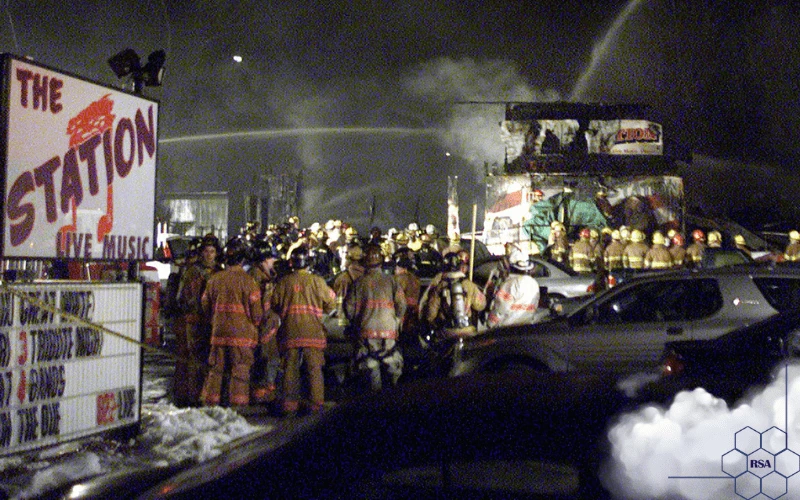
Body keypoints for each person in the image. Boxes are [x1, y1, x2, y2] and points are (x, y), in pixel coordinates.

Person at [271, 245, 336, 416]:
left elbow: (274, 305)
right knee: (314, 369)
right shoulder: (317, 281)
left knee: (289, 368)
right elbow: (330, 306)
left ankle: (289, 406)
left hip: (289, 333)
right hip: (313, 333)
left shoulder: (283, 282)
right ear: (309, 262)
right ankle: (315, 406)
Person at [200, 237, 263, 407]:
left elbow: (205, 304)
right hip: (242, 336)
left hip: (218, 333)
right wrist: (256, 325)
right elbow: (257, 314)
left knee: (216, 369)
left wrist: (214, 321)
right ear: (243, 259)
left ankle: (211, 404)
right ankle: (238, 406)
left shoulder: (214, 279)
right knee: (240, 370)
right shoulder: (249, 282)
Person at [344, 245, 406, 392]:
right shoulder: (392, 281)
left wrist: (357, 322)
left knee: (370, 374)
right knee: (392, 376)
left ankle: (374, 405)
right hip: (389, 334)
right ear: (382, 262)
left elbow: (349, 309)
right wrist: (395, 320)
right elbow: (402, 305)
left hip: (366, 335)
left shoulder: (358, 283)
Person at [174, 234, 221, 407]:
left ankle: (205, 394)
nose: (209, 255)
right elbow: (184, 297)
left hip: (212, 322)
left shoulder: (218, 271)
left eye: (212, 251)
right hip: (195, 321)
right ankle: (193, 397)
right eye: (206, 251)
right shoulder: (193, 272)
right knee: (194, 358)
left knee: (210, 359)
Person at [247, 236, 283, 404]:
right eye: (271, 258)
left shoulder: (264, 274)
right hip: (262, 325)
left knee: (269, 358)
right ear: (263, 259)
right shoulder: (256, 276)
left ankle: (265, 391)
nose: (273, 261)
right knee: (265, 359)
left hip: (267, 324)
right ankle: (261, 394)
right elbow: (258, 304)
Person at [421, 251, 487, 340]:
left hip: (448, 331)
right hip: (468, 330)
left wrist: (431, 322)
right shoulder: (469, 285)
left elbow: (431, 313)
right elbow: (481, 305)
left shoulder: (440, 286)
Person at [486, 250, 541, 328]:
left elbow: (501, 308)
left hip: (507, 329)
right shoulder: (533, 283)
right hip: (527, 326)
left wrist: (490, 324)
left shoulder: (510, 284)